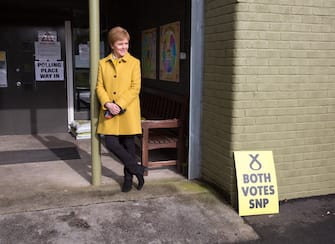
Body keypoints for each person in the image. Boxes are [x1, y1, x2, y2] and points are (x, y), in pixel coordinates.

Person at [96, 26, 144, 192]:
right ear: (112, 45)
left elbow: (135, 88)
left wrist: (119, 104)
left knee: (129, 145)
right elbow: (99, 87)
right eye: (120, 44)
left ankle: (128, 180)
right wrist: (108, 103)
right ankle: (138, 169)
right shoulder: (103, 64)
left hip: (128, 111)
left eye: (126, 43)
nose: (124, 47)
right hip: (110, 110)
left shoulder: (134, 63)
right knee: (111, 142)